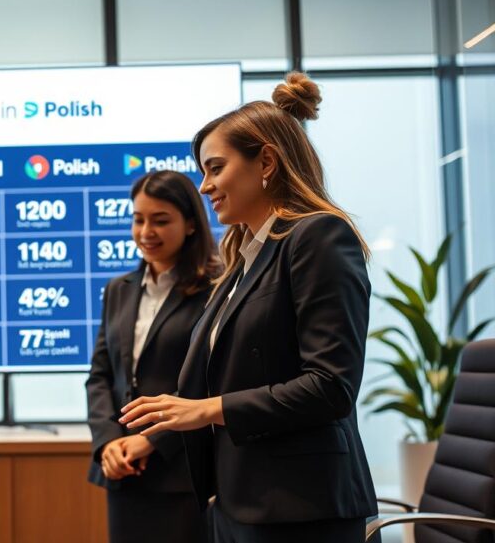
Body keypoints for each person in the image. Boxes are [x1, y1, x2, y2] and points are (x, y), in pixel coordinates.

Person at [119, 72, 379, 543]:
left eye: (215, 168)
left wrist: (206, 409)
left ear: (266, 162)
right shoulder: (245, 257)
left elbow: (330, 387)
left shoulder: (318, 235)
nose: (203, 186)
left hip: (301, 511)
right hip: (240, 502)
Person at [86, 170, 222, 543]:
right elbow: (100, 375)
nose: (146, 231)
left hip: (181, 469)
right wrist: (108, 442)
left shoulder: (216, 289)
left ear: (191, 224)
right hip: (124, 469)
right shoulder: (119, 289)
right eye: (138, 219)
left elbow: (212, 382)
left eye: (161, 220)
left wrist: (154, 439)